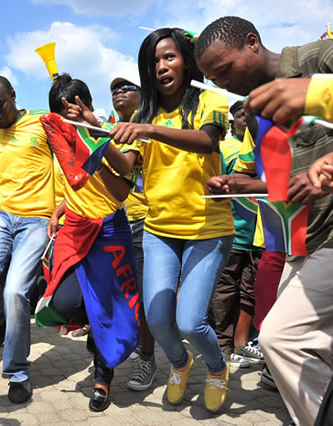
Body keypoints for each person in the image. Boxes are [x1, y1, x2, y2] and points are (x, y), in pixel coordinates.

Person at [196, 16, 333, 424]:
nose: (221, 85)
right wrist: (247, 185)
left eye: (224, 71)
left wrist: (316, 92)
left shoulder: (321, 59)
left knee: (279, 340)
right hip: (303, 241)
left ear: (252, 43)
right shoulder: (258, 112)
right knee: (310, 347)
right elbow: (290, 181)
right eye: (212, 79)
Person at [109, 28, 233, 412]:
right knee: (159, 319)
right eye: (154, 61)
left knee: (190, 323)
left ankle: (216, 368)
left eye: (169, 57)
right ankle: (180, 364)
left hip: (207, 228)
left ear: (186, 60)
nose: (161, 66)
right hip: (160, 228)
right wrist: (95, 144)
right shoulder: (143, 113)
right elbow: (126, 168)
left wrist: (146, 128)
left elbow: (206, 140)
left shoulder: (210, 100)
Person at [41, 74, 138, 412]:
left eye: (71, 113)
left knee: (109, 305)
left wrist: (95, 133)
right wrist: (60, 209)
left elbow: (123, 180)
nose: (65, 121)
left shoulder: (114, 128)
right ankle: (96, 326)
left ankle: (102, 377)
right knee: (67, 303)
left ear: (87, 106)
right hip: (74, 230)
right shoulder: (58, 140)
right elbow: (77, 188)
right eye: (60, 115)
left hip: (111, 230)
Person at [0, 75, 54, 404]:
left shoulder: (42, 126)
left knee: (16, 290)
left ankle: (17, 373)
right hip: (2, 215)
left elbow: (63, 162)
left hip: (37, 219)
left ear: (14, 97)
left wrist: (59, 210)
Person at [109, 76, 158, 392]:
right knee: (119, 294)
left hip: (143, 221)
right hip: (113, 220)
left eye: (125, 87)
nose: (118, 93)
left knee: (142, 297)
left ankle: (148, 360)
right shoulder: (110, 130)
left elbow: (125, 167)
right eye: (113, 90)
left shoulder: (146, 127)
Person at [208, 101, 262, 368]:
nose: (245, 120)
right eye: (241, 116)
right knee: (224, 289)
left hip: (262, 234)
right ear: (232, 121)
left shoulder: (263, 145)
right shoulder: (225, 149)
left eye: (249, 116)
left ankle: (241, 345)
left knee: (250, 290)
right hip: (233, 232)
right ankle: (222, 343)